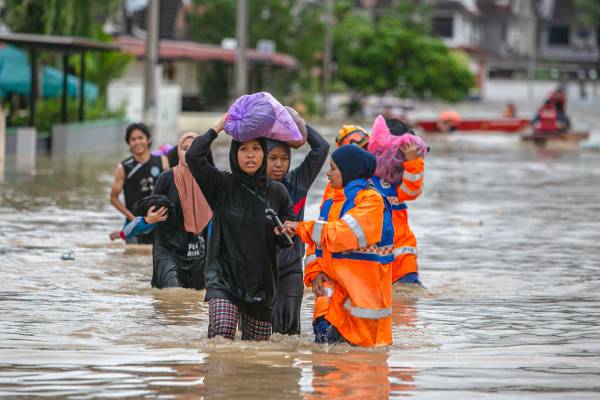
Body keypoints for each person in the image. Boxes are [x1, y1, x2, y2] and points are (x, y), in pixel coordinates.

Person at [185, 114, 295, 341]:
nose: (250, 155)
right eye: (243, 149)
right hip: (223, 279)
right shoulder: (221, 185)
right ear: (235, 154)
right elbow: (194, 157)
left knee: (256, 358)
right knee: (221, 338)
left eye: (256, 148)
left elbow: (290, 229)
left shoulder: (277, 192)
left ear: (264, 153)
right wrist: (218, 128)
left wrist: (285, 231)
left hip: (261, 285)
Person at [285, 145, 394, 347]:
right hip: (329, 305)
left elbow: (342, 234)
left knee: (356, 371)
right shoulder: (331, 202)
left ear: (349, 171)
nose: (328, 174)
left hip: (360, 312)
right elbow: (315, 246)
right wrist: (315, 273)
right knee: (324, 372)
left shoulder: (372, 201)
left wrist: (301, 227)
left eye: (333, 168)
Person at [109, 132, 212, 290]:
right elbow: (146, 219)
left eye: (195, 148)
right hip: (168, 251)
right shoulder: (166, 179)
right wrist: (131, 230)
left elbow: (220, 224)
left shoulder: (212, 181)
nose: (190, 153)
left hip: (198, 253)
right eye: (184, 148)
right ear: (178, 153)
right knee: (171, 294)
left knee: (194, 300)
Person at [266, 123, 330, 335]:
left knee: (290, 333)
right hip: (259, 270)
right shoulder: (250, 186)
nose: (278, 164)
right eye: (272, 158)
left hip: (291, 267)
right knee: (260, 333)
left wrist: (294, 120)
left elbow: (321, 147)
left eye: (284, 159)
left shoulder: (298, 182)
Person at [370, 118, 425, 286]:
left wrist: (413, 162)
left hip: (403, 254)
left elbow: (413, 191)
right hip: (375, 253)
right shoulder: (365, 175)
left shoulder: (398, 181)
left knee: (407, 303)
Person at [110, 123, 168, 244]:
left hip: (159, 222)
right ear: (129, 143)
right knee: (132, 259)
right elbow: (113, 198)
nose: (137, 142)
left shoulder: (162, 161)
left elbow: (170, 189)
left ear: (148, 139)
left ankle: (120, 233)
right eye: (133, 139)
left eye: (140, 138)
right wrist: (133, 219)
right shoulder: (123, 167)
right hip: (134, 225)